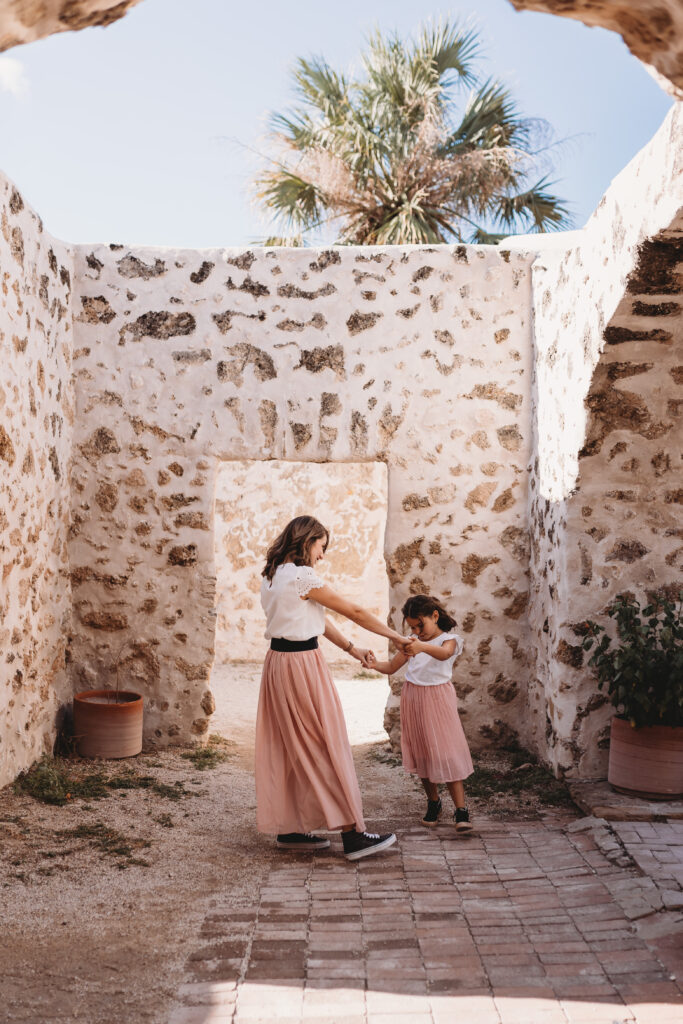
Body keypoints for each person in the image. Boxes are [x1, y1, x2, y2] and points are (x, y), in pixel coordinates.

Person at [256, 514, 410, 861]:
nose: (322, 556)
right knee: (323, 744)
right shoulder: (302, 576)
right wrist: (397, 638)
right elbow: (354, 610)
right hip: (301, 666)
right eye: (321, 548)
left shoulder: (273, 575)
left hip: (279, 664)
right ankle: (352, 834)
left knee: (292, 744)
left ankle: (292, 828)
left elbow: (315, 620)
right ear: (306, 542)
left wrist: (352, 649)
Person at [368, 594, 474, 833]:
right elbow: (392, 666)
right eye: (413, 627)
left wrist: (419, 646)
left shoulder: (451, 640)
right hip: (413, 697)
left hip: (439, 698)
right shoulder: (412, 642)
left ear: (434, 616)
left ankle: (461, 809)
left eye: (420, 625)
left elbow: (444, 654)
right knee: (423, 751)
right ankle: (433, 802)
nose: (417, 631)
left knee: (447, 751)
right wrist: (374, 664)